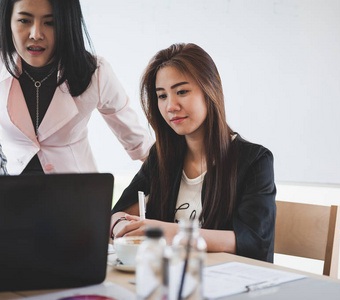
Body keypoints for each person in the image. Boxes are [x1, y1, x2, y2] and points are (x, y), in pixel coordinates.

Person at [110, 43, 276, 262]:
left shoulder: (254, 161)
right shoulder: (160, 159)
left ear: (210, 90)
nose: (170, 106)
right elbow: (118, 214)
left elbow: (253, 241)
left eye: (182, 92)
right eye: (162, 96)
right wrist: (121, 226)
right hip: (169, 281)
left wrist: (166, 232)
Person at [0, 0, 153, 175]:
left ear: (67, 23)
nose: (36, 34)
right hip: (11, 194)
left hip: (77, 192)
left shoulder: (95, 72)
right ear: (8, 21)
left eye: (50, 22)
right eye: (24, 21)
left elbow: (140, 144)